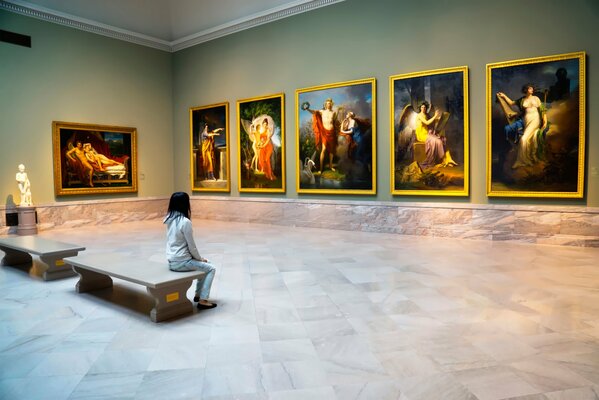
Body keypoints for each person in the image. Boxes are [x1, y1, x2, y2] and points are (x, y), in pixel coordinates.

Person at [164, 192, 217, 309]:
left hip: (172, 261)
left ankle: (198, 295)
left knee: (202, 266)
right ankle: (203, 300)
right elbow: (191, 246)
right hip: (182, 262)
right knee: (211, 268)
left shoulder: (169, 219)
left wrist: (198, 259)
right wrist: (200, 258)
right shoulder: (185, 222)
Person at [497, 84, 548, 168]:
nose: (532, 89)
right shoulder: (522, 100)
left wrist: (545, 121)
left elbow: (543, 111)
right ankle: (526, 160)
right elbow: (511, 103)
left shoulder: (536, 98)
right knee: (525, 139)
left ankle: (521, 161)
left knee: (523, 139)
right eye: (530, 88)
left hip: (535, 120)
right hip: (526, 121)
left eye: (532, 88)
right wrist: (503, 95)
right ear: (526, 89)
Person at [305, 98, 338, 174]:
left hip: (332, 132)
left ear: (331, 104)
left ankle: (330, 166)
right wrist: (307, 109)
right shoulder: (322, 111)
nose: (328, 104)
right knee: (324, 149)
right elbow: (314, 112)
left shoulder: (334, 112)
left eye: (330, 103)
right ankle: (321, 168)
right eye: (327, 103)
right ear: (325, 105)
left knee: (331, 151)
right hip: (324, 133)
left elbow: (335, 121)